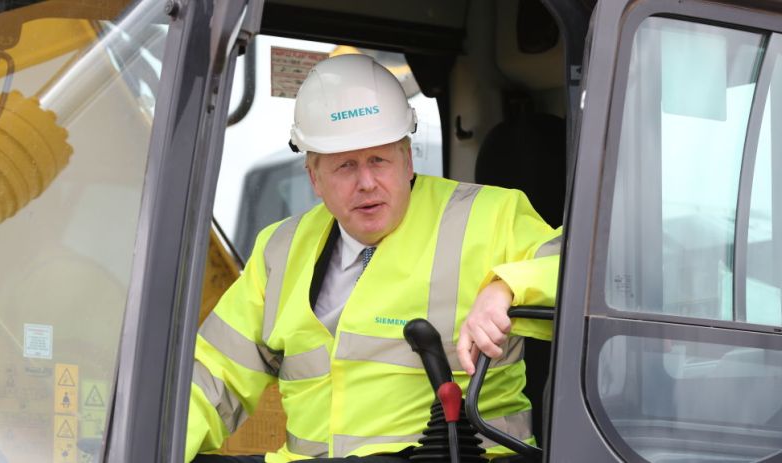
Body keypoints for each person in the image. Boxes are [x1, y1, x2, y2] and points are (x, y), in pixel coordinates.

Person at [186, 54, 561, 463]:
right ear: (314, 177)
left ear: (407, 159)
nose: (366, 183)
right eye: (345, 166)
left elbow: (581, 271)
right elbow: (211, 376)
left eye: (378, 160)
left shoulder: (490, 217)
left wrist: (507, 287)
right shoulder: (279, 250)